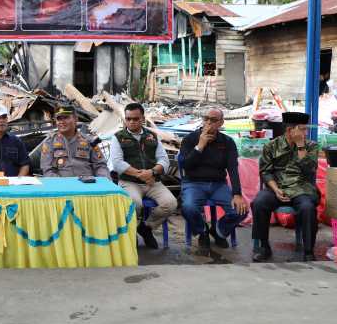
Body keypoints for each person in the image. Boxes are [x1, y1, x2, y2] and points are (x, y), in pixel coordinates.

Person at [252, 111, 320, 262]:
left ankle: (308, 250)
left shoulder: (311, 146)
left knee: (308, 207)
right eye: (302, 129)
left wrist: (301, 146)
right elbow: (266, 171)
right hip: (277, 187)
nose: (306, 132)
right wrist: (275, 189)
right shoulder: (272, 146)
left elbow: (310, 170)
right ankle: (263, 246)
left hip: (301, 188)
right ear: (290, 130)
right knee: (259, 203)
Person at [110, 102, 177, 249]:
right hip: (129, 182)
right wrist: (140, 174)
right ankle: (131, 233)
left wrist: (152, 172)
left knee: (170, 203)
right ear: (125, 120)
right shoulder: (118, 137)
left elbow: (164, 160)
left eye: (135, 119)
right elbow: (117, 163)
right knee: (135, 203)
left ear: (142, 119)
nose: (132, 122)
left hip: (152, 181)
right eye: (128, 119)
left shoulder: (152, 136)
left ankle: (146, 228)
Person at [179, 108, 248, 249]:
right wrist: (200, 146)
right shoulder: (190, 139)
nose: (209, 123)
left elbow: (233, 169)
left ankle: (218, 231)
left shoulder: (227, 142)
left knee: (242, 210)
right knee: (188, 207)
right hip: (194, 183)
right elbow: (186, 165)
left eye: (213, 120)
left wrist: (237, 194)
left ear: (221, 123)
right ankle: (202, 232)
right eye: (206, 119)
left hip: (218, 184)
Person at [41, 105, 109, 178]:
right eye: (59, 119)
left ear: (76, 119)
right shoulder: (49, 142)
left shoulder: (89, 141)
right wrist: (64, 185)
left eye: (66, 118)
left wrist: (103, 183)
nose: (62, 122)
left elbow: (100, 166)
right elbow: (47, 170)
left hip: (88, 185)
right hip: (62, 186)